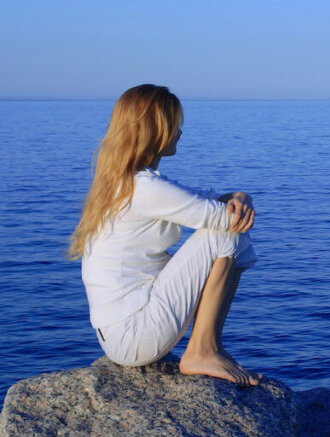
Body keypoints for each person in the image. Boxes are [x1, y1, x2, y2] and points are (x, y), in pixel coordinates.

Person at [68, 84, 261, 386]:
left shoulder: (126, 182)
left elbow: (212, 200)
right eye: (174, 123)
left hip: (122, 334)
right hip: (134, 334)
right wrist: (240, 202)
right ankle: (202, 350)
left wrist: (240, 196)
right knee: (227, 236)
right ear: (155, 130)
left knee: (226, 232)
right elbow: (224, 219)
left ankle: (209, 346)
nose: (181, 131)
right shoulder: (144, 189)